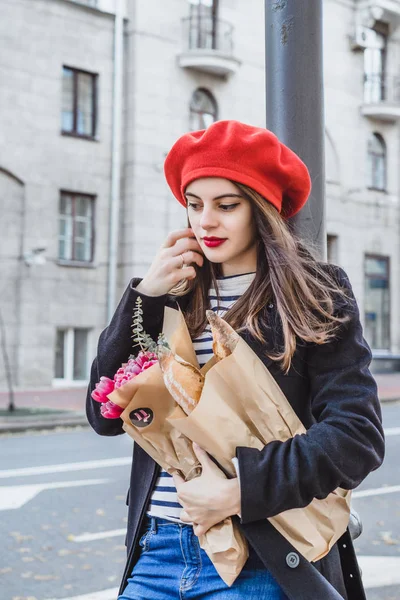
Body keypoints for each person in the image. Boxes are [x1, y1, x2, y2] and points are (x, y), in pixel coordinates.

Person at [86, 120, 385, 600]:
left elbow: (356, 436)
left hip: (263, 555)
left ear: (262, 210)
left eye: (227, 206)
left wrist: (240, 490)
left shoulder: (314, 294)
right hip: (157, 550)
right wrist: (144, 296)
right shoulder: (173, 297)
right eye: (194, 205)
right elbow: (103, 416)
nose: (206, 222)